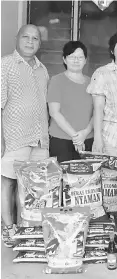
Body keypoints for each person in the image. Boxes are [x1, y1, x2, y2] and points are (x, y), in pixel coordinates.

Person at [1, 24, 49, 247]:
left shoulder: (42, 69)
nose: (30, 42)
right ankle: (9, 229)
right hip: (14, 136)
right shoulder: (5, 65)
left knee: (33, 188)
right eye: (26, 37)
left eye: (35, 39)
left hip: (39, 139)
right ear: (17, 38)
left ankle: (25, 228)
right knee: (8, 183)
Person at [48, 41, 93, 162]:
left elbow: (97, 112)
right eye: (72, 57)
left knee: (86, 179)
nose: (76, 60)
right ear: (64, 59)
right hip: (61, 140)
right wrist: (75, 137)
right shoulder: (56, 81)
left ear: (85, 60)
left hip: (87, 139)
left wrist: (84, 133)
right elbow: (54, 113)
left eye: (80, 57)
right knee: (62, 178)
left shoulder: (92, 82)